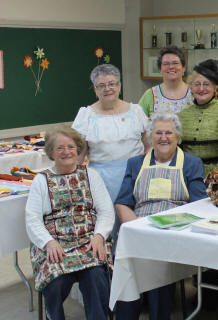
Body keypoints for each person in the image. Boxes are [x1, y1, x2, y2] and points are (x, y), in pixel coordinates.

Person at [114, 112, 207, 320]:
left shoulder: (191, 163)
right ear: (150, 136)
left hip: (174, 233)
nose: (163, 137)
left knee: (158, 262)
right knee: (126, 266)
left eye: (168, 133)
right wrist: (137, 230)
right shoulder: (135, 164)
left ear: (178, 137)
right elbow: (122, 203)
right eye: (158, 133)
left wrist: (164, 232)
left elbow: (199, 205)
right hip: (139, 229)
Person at [26, 127, 114, 320]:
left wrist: (99, 236)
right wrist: (48, 242)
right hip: (56, 244)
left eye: (71, 147)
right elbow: (32, 219)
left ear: (78, 149)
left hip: (89, 241)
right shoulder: (41, 181)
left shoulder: (91, 175)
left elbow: (106, 211)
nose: (67, 152)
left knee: (96, 276)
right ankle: (53, 316)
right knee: (56, 281)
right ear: (50, 152)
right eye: (60, 148)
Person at [72, 64, 149, 242]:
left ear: (119, 86)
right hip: (101, 178)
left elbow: (148, 145)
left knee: (134, 224)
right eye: (102, 85)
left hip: (135, 176)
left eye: (112, 84)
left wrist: (146, 169)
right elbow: (79, 154)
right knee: (105, 224)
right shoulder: (86, 115)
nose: (108, 89)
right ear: (95, 89)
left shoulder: (136, 111)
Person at [138, 46, 193, 116]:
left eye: (175, 63)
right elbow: (138, 123)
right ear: (160, 69)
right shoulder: (150, 95)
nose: (171, 67)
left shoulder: (195, 93)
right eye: (166, 64)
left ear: (184, 68)